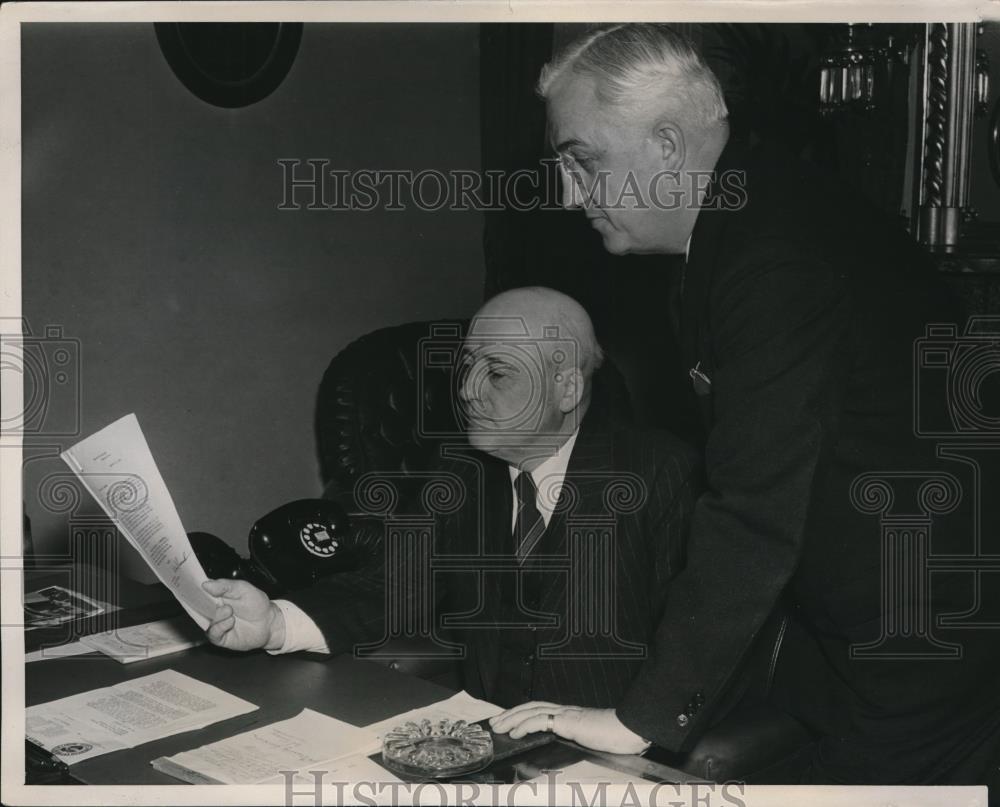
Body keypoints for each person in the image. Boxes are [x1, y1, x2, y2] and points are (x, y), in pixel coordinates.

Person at [521, 22, 1000, 785]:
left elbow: (753, 508)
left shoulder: (771, 254)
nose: (570, 191)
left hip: (926, 638)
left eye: (584, 161)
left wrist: (639, 719)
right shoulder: (753, 208)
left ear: (667, 145)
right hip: (855, 626)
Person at [202, 286, 702, 754]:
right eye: (466, 368)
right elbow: (394, 585)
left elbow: (702, 631)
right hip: (494, 745)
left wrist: (637, 724)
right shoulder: (462, 473)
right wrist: (275, 623)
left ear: (566, 388)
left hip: (618, 750)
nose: (466, 391)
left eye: (497, 373)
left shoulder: (658, 473)